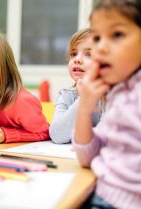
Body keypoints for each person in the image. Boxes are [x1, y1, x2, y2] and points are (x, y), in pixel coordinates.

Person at [73, 0, 141, 208]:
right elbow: (88, 157)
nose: (99, 48)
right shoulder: (120, 92)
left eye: (117, 34)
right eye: (97, 37)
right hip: (99, 193)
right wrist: (85, 107)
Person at [49, 29, 103, 144]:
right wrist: (83, 99)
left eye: (88, 54)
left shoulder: (111, 96)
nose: (77, 59)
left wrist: (75, 135)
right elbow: (57, 135)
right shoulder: (66, 95)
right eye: (74, 54)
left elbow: (108, 137)